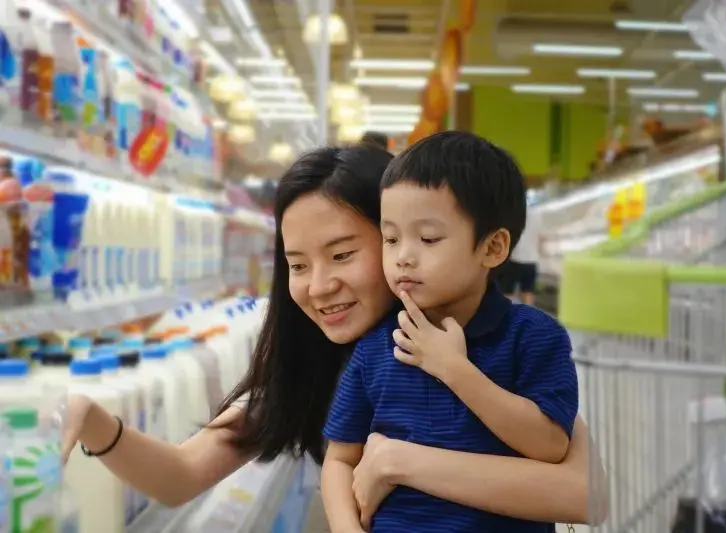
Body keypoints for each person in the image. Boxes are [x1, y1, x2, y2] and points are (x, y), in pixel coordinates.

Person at [61, 145, 607, 529]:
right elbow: (179, 476)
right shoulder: (315, 372)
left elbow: (584, 493)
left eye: (343, 254)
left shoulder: (482, 344)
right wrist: (91, 420)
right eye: (298, 265)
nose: (319, 286)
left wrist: (396, 461)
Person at [321, 132, 578, 532]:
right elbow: (340, 458)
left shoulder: (533, 337)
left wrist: (454, 369)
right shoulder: (375, 345)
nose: (403, 256)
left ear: (492, 248)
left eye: (428, 239)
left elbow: (550, 446)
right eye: (390, 238)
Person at [497, 204, 541, 306]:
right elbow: (541, 239)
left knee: (506, 292)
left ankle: (506, 318)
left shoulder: (513, 215)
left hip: (515, 260)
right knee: (528, 291)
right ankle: (527, 318)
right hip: (532, 261)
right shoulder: (537, 215)